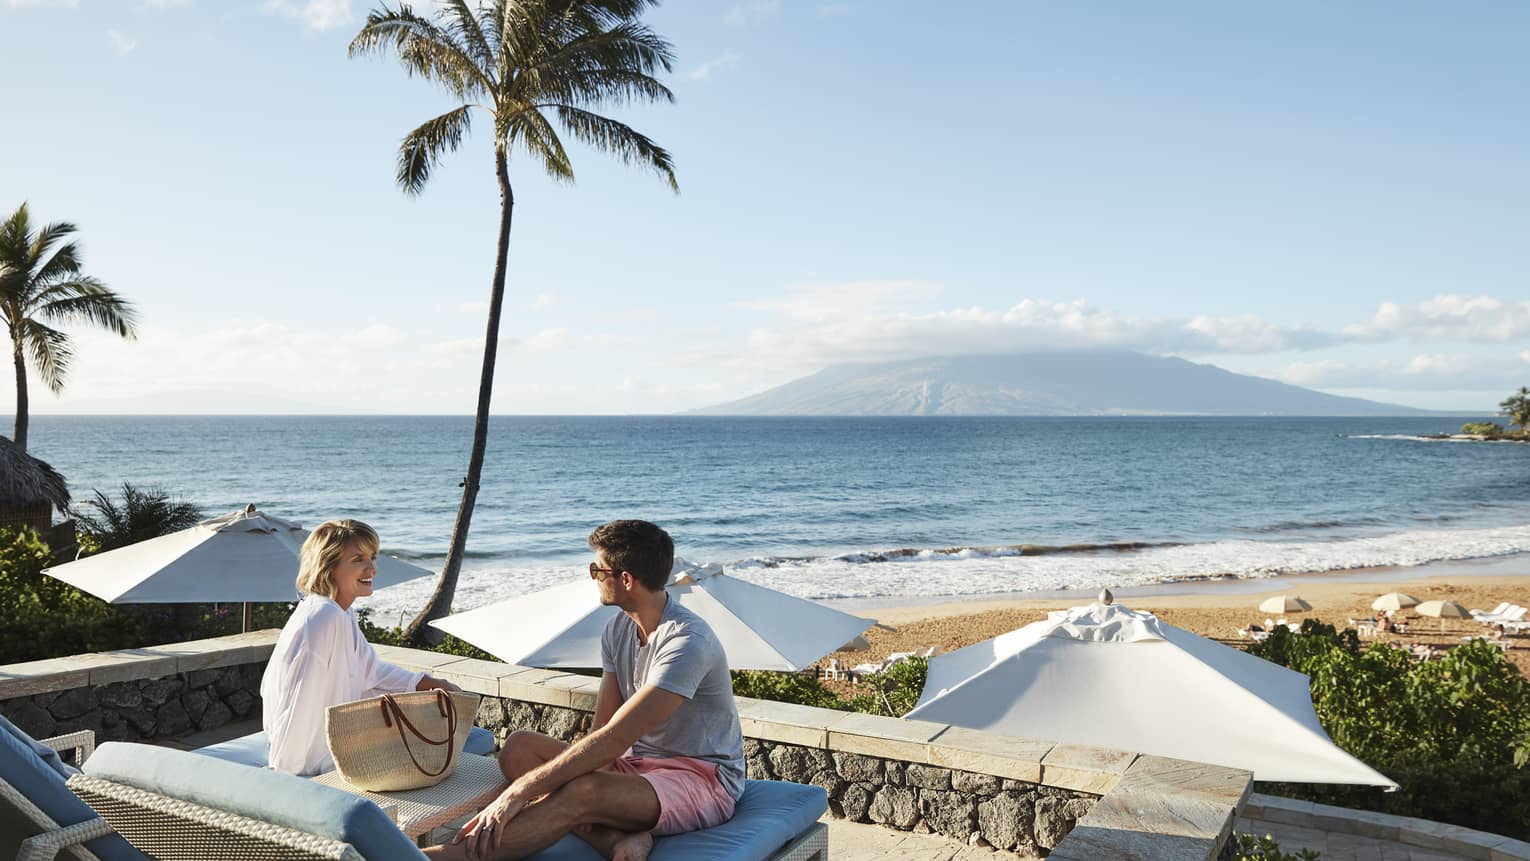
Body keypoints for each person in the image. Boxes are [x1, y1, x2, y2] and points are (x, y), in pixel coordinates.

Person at [435, 519, 744, 861]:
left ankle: (442, 857)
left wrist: (518, 793)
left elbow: (614, 738)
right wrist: (544, 781)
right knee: (520, 748)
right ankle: (615, 840)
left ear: (626, 580)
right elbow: (602, 732)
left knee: (584, 790)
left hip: (700, 778)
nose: (594, 577)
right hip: (635, 766)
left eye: (598, 570)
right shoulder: (617, 630)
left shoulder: (687, 643)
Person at [261, 518, 457, 776]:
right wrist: (287, 781)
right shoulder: (322, 618)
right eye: (358, 560)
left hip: (334, 748)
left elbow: (371, 670)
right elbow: (298, 703)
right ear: (329, 567)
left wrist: (427, 682)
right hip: (313, 764)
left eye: (372, 557)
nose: (372, 569)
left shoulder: (340, 614)